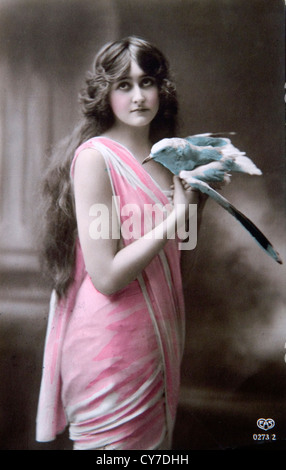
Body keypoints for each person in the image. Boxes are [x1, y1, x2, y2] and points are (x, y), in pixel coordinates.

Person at [36, 36, 215, 450]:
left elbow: (176, 254)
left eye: (147, 82)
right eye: (124, 85)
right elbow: (107, 277)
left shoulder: (170, 158)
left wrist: (196, 204)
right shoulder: (94, 158)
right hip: (108, 346)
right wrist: (174, 216)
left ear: (161, 89)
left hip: (158, 336)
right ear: (105, 93)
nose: (138, 96)